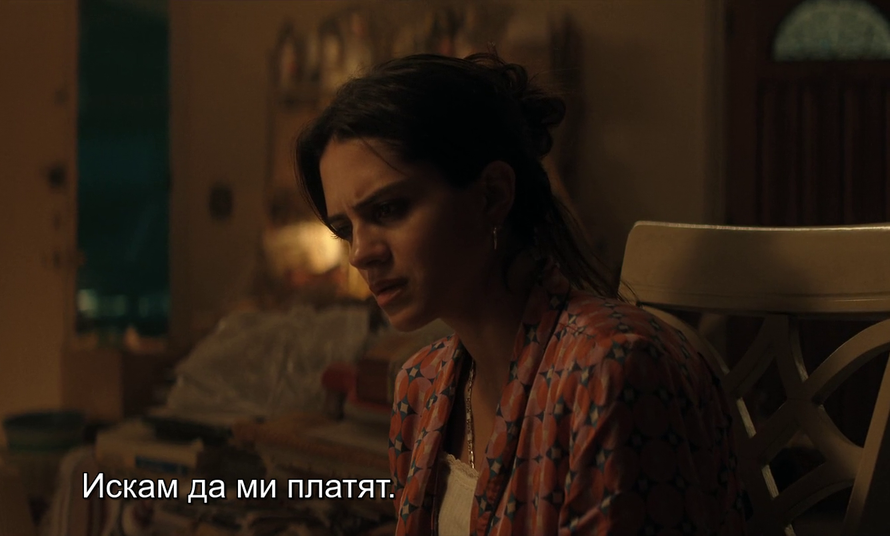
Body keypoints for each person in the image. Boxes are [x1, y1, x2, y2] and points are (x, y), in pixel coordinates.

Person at [294, 53, 747, 536]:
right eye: (346, 229)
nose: (360, 253)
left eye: (388, 209)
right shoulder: (420, 385)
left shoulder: (610, 371)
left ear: (492, 195)